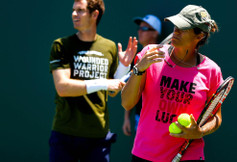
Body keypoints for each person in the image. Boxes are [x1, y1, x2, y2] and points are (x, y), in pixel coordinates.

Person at [121, 4, 223, 161]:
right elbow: (127, 103)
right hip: (146, 154)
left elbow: (216, 117)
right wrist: (139, 69)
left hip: (189, 155)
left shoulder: (212, 71)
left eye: (184, 28)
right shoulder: (150, 55)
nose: (176, 30)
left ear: (199, 36)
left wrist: (200, 131)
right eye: (176, 25)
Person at [48, 0, 137, 161]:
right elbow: (63, 87)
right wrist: (103, 82)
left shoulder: (109, 47)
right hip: (65, 135)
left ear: (94, 14)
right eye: (73, 10)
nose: (74, 14)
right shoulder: (61, 45)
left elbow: (112, 91)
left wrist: (123, 66)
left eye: (80, 10)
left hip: (98, 137)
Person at [122, 14, 162, 136]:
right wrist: (126, 118)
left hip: (158, 120)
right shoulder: (135, 57)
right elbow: (130, 88)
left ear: (155, 33)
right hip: (139, 117)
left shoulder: (163, 57)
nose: (140, 31)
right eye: (139, 28)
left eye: (144, 29)